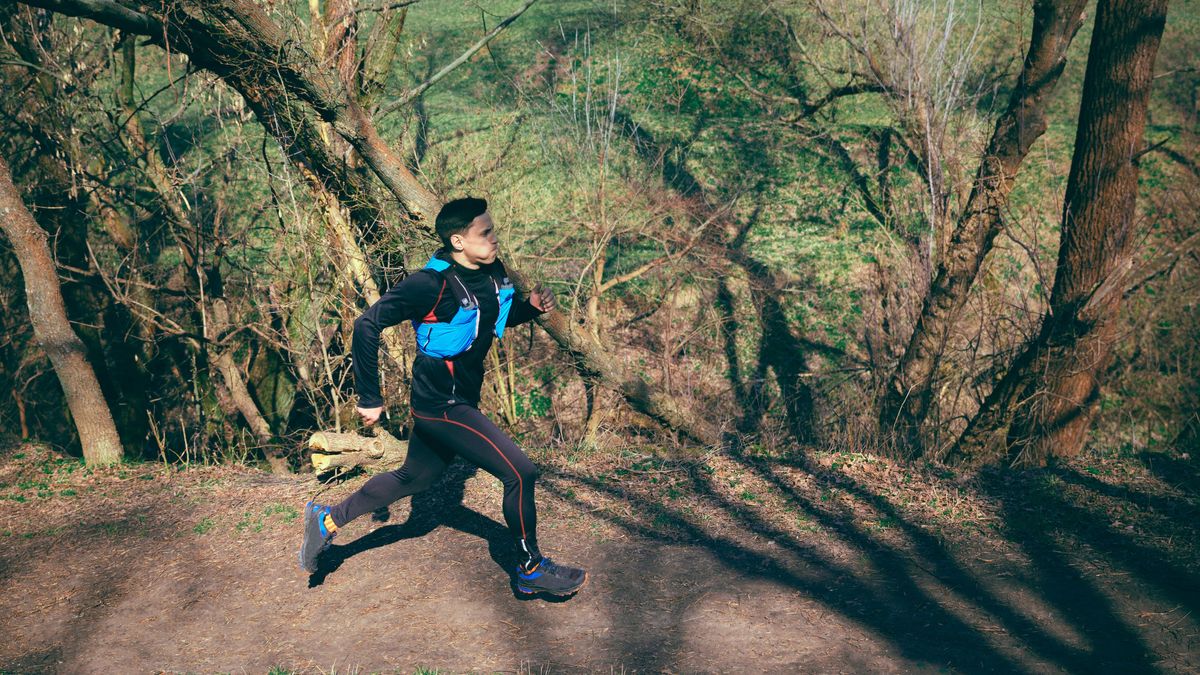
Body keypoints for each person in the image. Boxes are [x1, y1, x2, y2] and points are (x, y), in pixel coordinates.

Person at [298, 197, 587, 596]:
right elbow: (366, 325)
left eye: (492, 230)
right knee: (520, 472)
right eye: (484, 233)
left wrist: (528, 309)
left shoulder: (492, 272)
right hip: (441, 403)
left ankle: (326, 521)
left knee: (416, 476)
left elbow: (487, 321)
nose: (494, 238)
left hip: (462, 396)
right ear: (457, 240)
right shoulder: (429, 284)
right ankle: (530, 567)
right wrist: (369, 395)